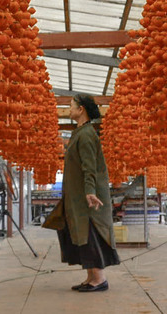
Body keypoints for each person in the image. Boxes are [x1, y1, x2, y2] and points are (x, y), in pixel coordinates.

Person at [57, 94, 120, 292]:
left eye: (71, 105)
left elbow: (89, 167)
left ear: (81, 109)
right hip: (79, 196)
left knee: (91, 235)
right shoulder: (80, 132)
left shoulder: (86, 135)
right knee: (82, 235)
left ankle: (99, 279)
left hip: (88, 198)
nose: (69, 109)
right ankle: (90, 277)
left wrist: (90, 191)